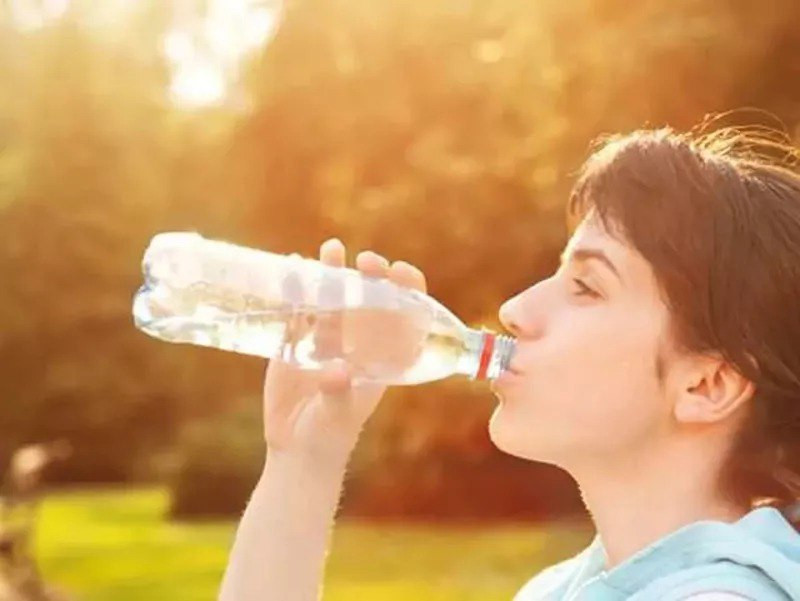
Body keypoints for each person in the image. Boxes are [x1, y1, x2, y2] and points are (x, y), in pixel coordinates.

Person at [218, 124, 800, 601]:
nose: (515, 310)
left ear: (708, 384)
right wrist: (303, 461)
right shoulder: (563, 589)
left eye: (587, 288)